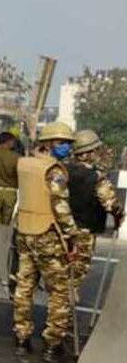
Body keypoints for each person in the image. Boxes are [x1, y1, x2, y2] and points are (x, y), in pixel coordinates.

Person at [11, 122, 83, 361]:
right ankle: (53, 344)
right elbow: (60, 206)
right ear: (49, 143)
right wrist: (72, 235)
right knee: (59, 291)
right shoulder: (55, 171)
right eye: (62, 143)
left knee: (24, 286)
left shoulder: (25, 164)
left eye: (68, 143)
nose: (66, 147)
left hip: (25, 231)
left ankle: (22, 337)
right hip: (48, 235)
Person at [64, 130, 124, 332]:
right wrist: (118, 216)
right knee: (75, 279)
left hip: (61, 230)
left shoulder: (62, 171)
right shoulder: (96, 177)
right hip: (84, 233)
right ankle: (62, 323)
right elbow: (110, 204)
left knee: (63, 276)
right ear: (89, 151)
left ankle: (59, 319)